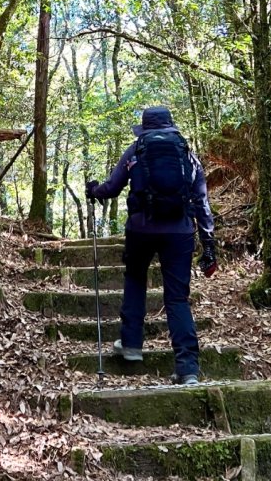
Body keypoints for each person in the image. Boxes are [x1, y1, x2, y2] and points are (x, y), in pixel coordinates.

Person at [85, 105, 217, 385]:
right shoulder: (187, 154)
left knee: (135, 280)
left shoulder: (136, 150)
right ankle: (187, 368)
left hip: (141, 229)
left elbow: (112, 187)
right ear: (171, 126)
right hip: (180, 232)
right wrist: (208, 243)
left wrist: (93, 190)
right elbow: (202, 201)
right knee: (177, 298)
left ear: (144, 128)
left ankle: (132, 344)